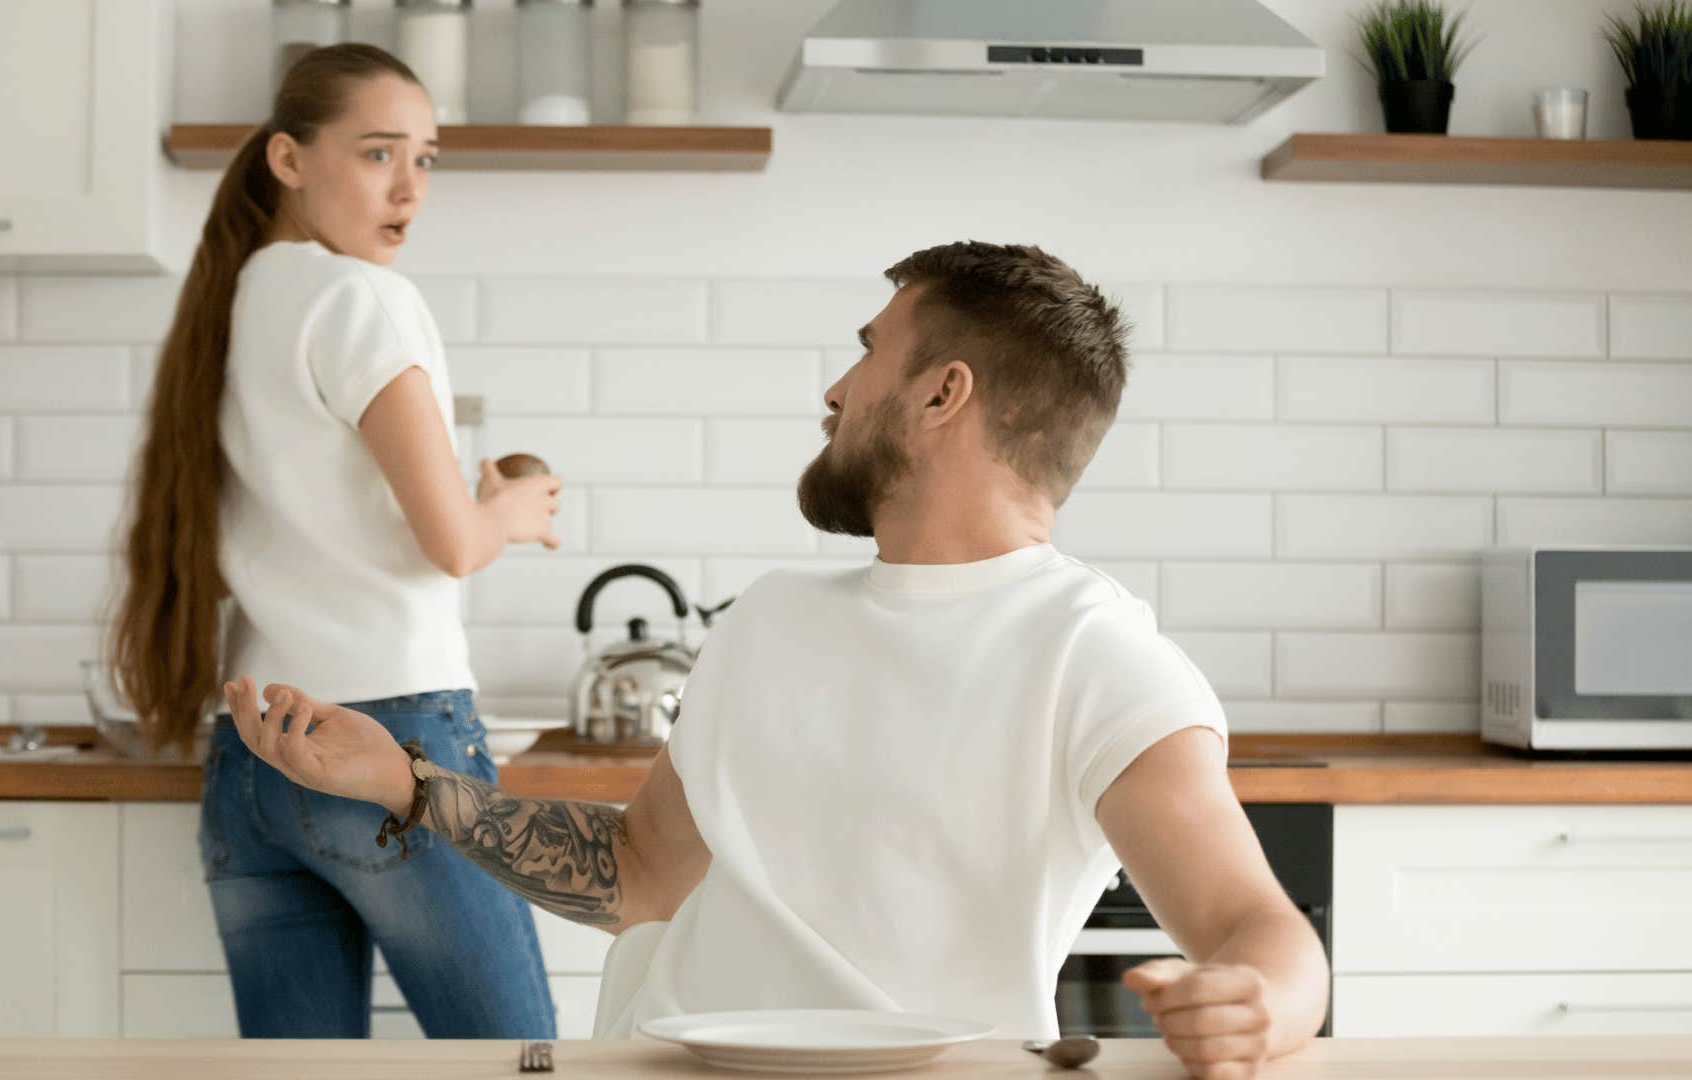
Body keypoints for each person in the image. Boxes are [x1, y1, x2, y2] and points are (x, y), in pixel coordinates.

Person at [219, 241, 1331, 1078]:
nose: (838, 392)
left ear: (943, 393)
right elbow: (636, 874)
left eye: (867, 353)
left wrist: (1260, 1005)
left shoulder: (1093, 651)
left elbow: (1259, 930)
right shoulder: (771, 616)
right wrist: (404, 783)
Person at [107, 44, 563, 1040]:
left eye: (427, 159)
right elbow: (452, 541)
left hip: (254, 756)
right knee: (518, 1064)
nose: (409, 188)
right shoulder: (362, 299)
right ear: (287, 159)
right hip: (390, 744)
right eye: (377, 154)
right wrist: (517, 508)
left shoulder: (227, 311)